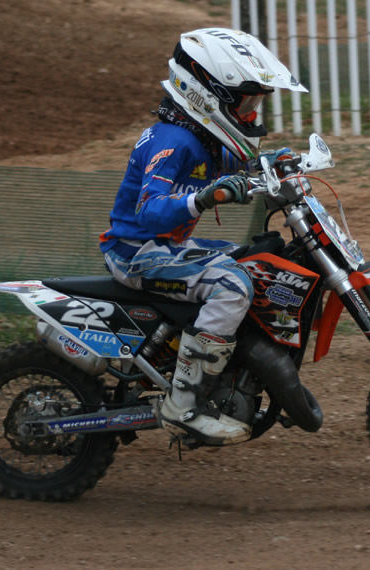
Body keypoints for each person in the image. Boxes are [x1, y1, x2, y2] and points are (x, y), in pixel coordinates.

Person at [99, 28, 307, 445]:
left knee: (254, 262)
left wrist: (277, 164)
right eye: (245, 104)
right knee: (232, 286)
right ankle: (183, 404)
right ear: (206, 94)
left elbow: (243, 167)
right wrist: (202, 198)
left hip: (164, 248)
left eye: (255, 104)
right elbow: (149, 210)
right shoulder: (173, 140)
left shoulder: (203, 138)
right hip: (135, 253)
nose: (251, 114)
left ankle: (214, 369)